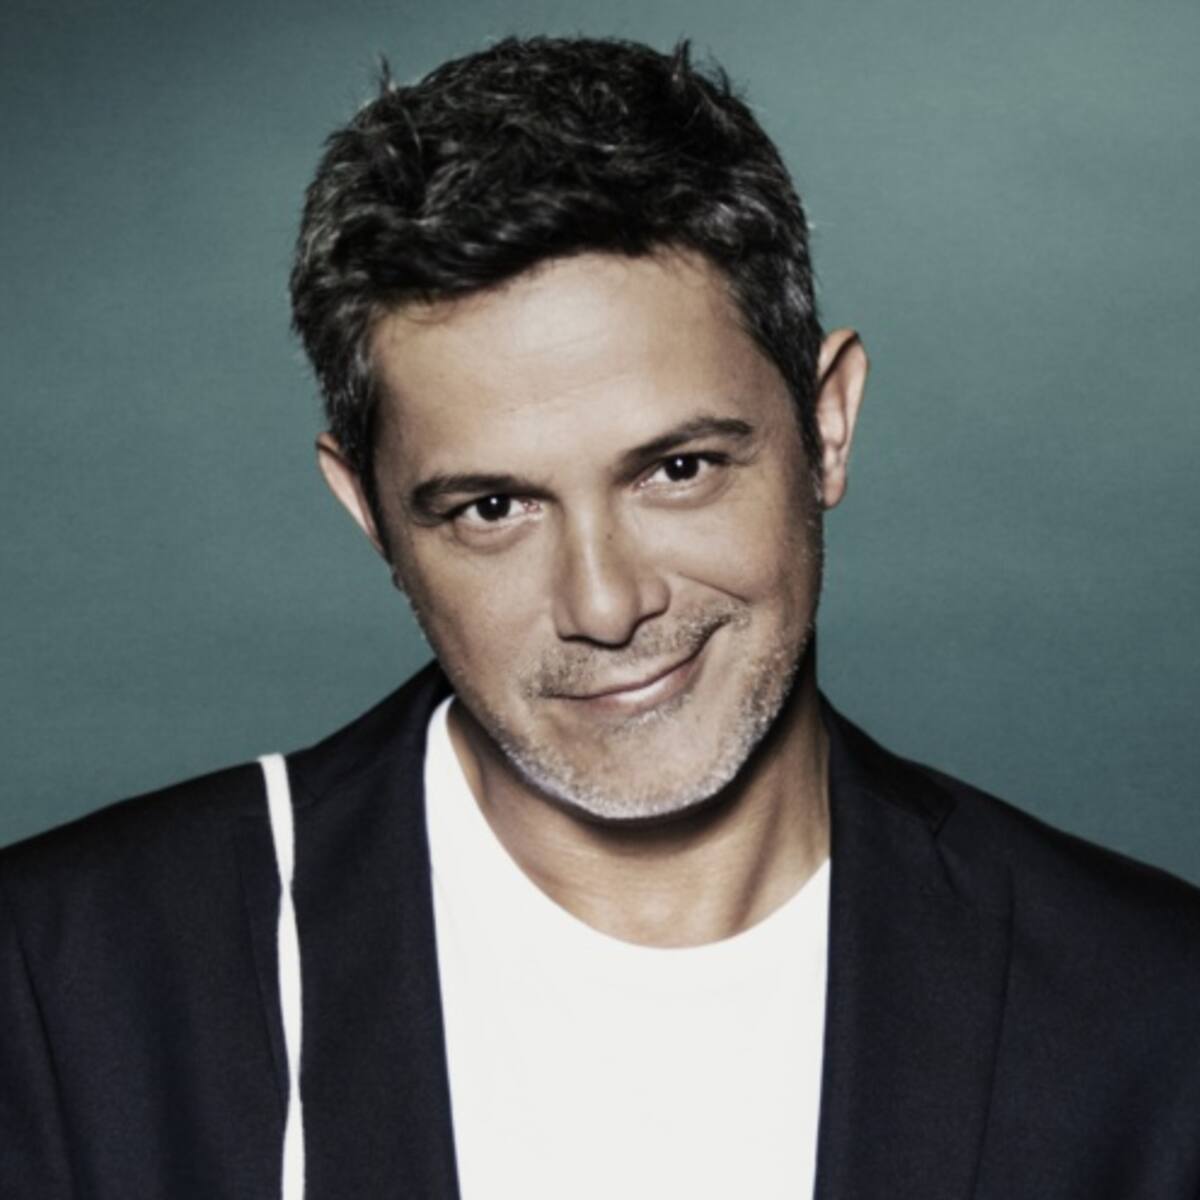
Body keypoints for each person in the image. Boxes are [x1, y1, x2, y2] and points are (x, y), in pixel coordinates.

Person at [2, 33, 1198, 1200]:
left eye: (678, 470)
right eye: (493, 507)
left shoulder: (1151, 1014)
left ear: (827, 425)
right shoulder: (64, 986)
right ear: (368, 511)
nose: (606, 604)